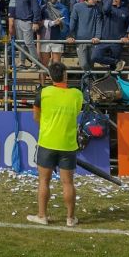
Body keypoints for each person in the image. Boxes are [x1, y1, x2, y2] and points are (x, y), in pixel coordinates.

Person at [27, 61, 84, 227]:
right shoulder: (76, 94)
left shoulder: (44, 93)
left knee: (44, 181)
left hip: (47, 141)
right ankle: (70, 218)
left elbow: (36, 116)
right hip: (67, 144)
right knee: (68, 183)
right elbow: (77, 111)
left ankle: (42, 216)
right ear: (65, 76)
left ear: (50, 76)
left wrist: (46, 126)